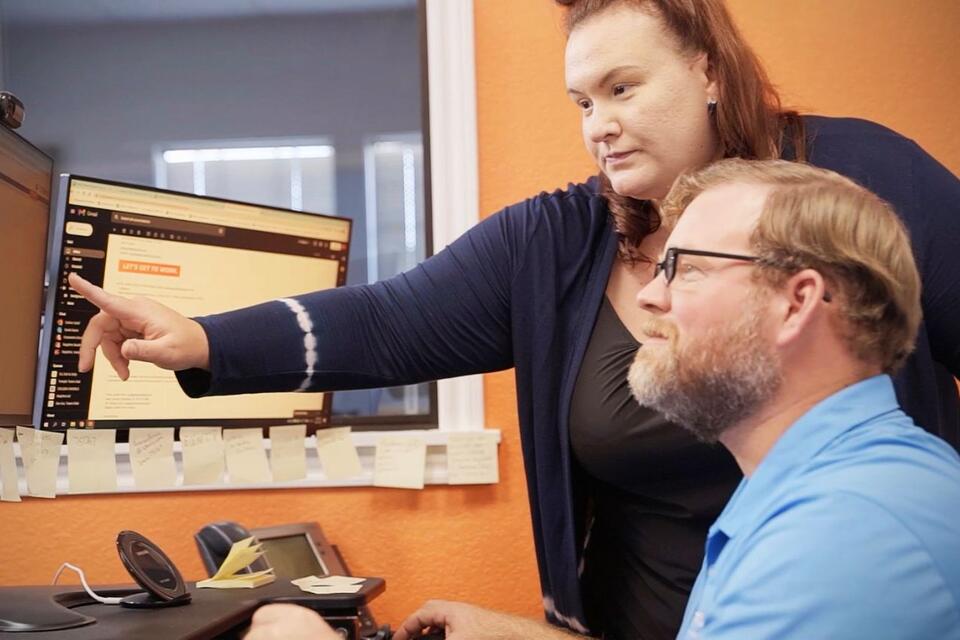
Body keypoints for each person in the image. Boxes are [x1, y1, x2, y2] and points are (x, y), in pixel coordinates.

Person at [70, 0, 960, 638]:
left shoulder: (858, 191)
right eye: (583, 104)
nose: (599, 126)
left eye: (623, 88)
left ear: (708, 70)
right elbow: (388, 320)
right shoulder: (560, 239)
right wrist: (202, 338)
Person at [626, 158, 960, 639]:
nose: (650, 296)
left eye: (687, 268)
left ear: (797, 302)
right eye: (661, 268)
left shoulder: (846, 529)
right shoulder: (806, 488)